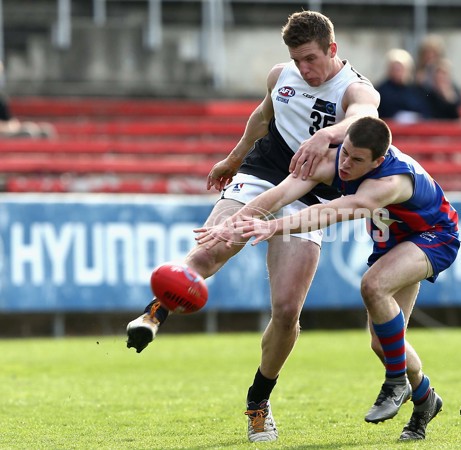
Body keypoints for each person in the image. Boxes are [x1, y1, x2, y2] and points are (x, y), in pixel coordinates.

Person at [125, 10, 380, 443]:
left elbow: (365, 117)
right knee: (212, 248)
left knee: (286, 311)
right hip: (262, 173)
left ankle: (258, 402)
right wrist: (234, 156)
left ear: (332, 50)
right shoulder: (281, 75)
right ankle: (155, 313)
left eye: (312, 59)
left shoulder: (353, 87)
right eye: (297, 59)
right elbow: (263, 117)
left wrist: (327, 135)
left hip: (309, 196)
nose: (303, 68)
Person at [195, 116, 460, 441]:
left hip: (434, 236)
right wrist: (233, 222)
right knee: (383, 343)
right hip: (394, 242)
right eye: (345, 152)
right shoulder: (335, 158)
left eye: (356, 159)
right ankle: (425, 400)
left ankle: (395, 382)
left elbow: (329, 212)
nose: (345, 164)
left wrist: (274, 227)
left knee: (372, 285)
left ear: (378, 161)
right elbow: (280, 194)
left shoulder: (389, 182)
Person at [376, 48, 432, 123]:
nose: (398, 72)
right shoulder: (381, 91)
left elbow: (426, 112)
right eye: (395, 68)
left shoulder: (417, 90)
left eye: (400, 68)